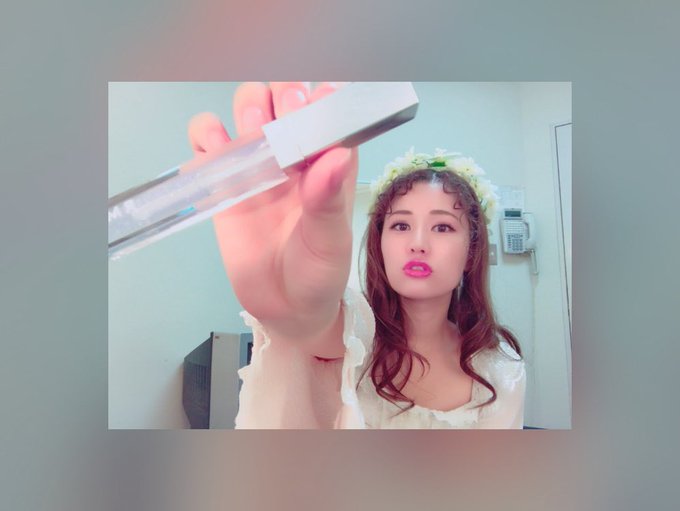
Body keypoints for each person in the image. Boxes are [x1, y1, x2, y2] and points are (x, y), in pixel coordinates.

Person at [187, 82, 526, 429]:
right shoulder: (356, 332)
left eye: (442, 227)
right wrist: (294, 309)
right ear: (380, 242)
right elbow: (316, 325)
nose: (418, 243)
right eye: (401, 225)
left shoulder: (500, 368)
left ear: (472, 252)